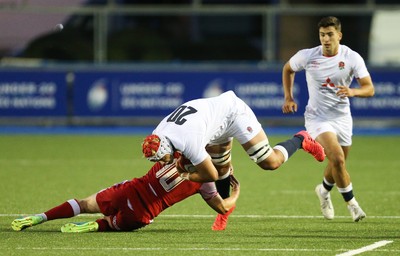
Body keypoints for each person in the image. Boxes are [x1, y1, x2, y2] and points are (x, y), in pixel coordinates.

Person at [142, 90, 325, 230]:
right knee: (222, 170)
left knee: (269, 162)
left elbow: (210, 174)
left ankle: (301, 139)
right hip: (212, 125)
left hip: (234, 114)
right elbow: (215, 171)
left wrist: (186, 176)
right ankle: (225, 211)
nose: (163, 162)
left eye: (161, 158)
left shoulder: (187, 140)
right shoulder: (158, 136)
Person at [281, 16, 374, 222]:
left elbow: (369, 89)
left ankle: (323, 191)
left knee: (337, 166)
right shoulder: (307, 56)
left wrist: (352, 91)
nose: (326, 39)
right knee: (338, 158)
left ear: (339, 35)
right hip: (317, 118)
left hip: (342, 118)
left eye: (330, 34)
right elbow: (288, 69)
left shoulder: (352, 57)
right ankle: (353, 205)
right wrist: (289, 97)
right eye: (322, 35)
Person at [11, 157, 240, 232]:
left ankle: (40, 217)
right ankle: (96, 226)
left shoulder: (178, 150)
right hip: (143, 212)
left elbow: (156, 149)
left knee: (82, 203)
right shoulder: (205, 182)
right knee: (109, 223)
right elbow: (222, 207)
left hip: (129, 191)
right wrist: (237, 191)